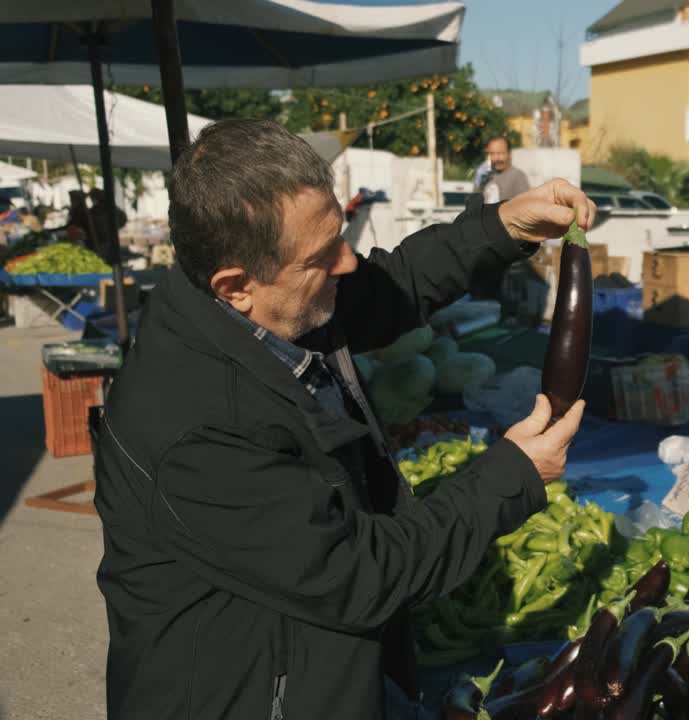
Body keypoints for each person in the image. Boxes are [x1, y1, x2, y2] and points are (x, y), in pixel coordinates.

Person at [93, 118, 595, 720]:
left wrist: (503, 225)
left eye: (340, 234)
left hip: (324, 670)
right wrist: (511, 477)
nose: (348, 261)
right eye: (322, 255)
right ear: (236, 285)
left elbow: (393, 283)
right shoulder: (198, 432)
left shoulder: (265, 302)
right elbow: (356, 574)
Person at [476, 136, 530, 204]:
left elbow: (525, 205)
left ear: (509, 154)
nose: (496, 158)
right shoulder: (485, 175)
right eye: (492, 153)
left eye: (500, 153)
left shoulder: (518, 176)